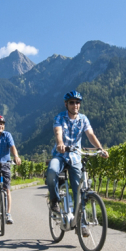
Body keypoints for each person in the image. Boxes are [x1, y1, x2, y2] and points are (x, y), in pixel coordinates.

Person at [46, 91, 108, 227]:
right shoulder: (59, 117)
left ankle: (80, 220)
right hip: (60, 155)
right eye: (72, 102)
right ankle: (54, 200)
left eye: (77, 102)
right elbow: (58, 132)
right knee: (51, 171)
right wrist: (60, 143)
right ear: (66, 104)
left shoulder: (83, 119)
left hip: (75, 156)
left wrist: (100, 149)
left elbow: (90, 134)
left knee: (79, 188)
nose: (75, 105)